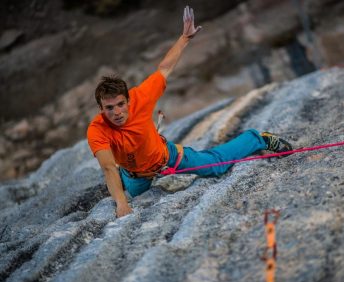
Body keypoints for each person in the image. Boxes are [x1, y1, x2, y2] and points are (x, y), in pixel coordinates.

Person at [87, 6, 293, 218]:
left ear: (128, 100)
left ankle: (259, 139)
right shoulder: (97, 130)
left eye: (121, 104)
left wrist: (184, 38)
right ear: (101, 109)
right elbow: (108, 167)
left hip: (165, 156)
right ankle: (126, 178)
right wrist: (121, 203)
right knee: (136, 193)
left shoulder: (141, 97)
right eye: (109, 108)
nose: (117, 112)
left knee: (215, 167)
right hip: (135, 174)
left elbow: (164, 69)